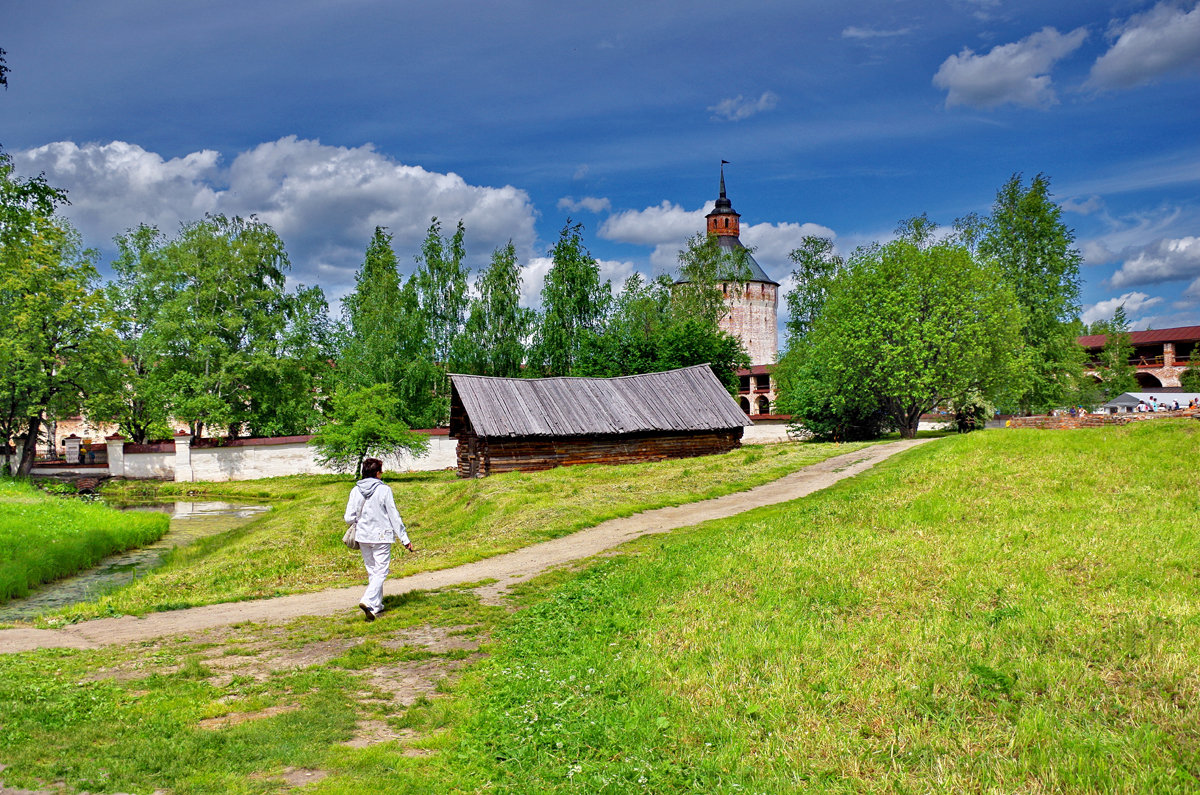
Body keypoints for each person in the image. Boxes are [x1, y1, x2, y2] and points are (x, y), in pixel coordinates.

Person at [343, 457, 415, 621]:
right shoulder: (384, 490)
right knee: (381, 571)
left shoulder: (355, 491)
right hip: (382, 536)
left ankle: (376, 607)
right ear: (377, 473)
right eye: (381, 470)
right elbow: (394, 516)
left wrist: (361, 522)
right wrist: (404, 539)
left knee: (373, 572)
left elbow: (348, 517)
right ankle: (367, 600)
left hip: (363, 536)